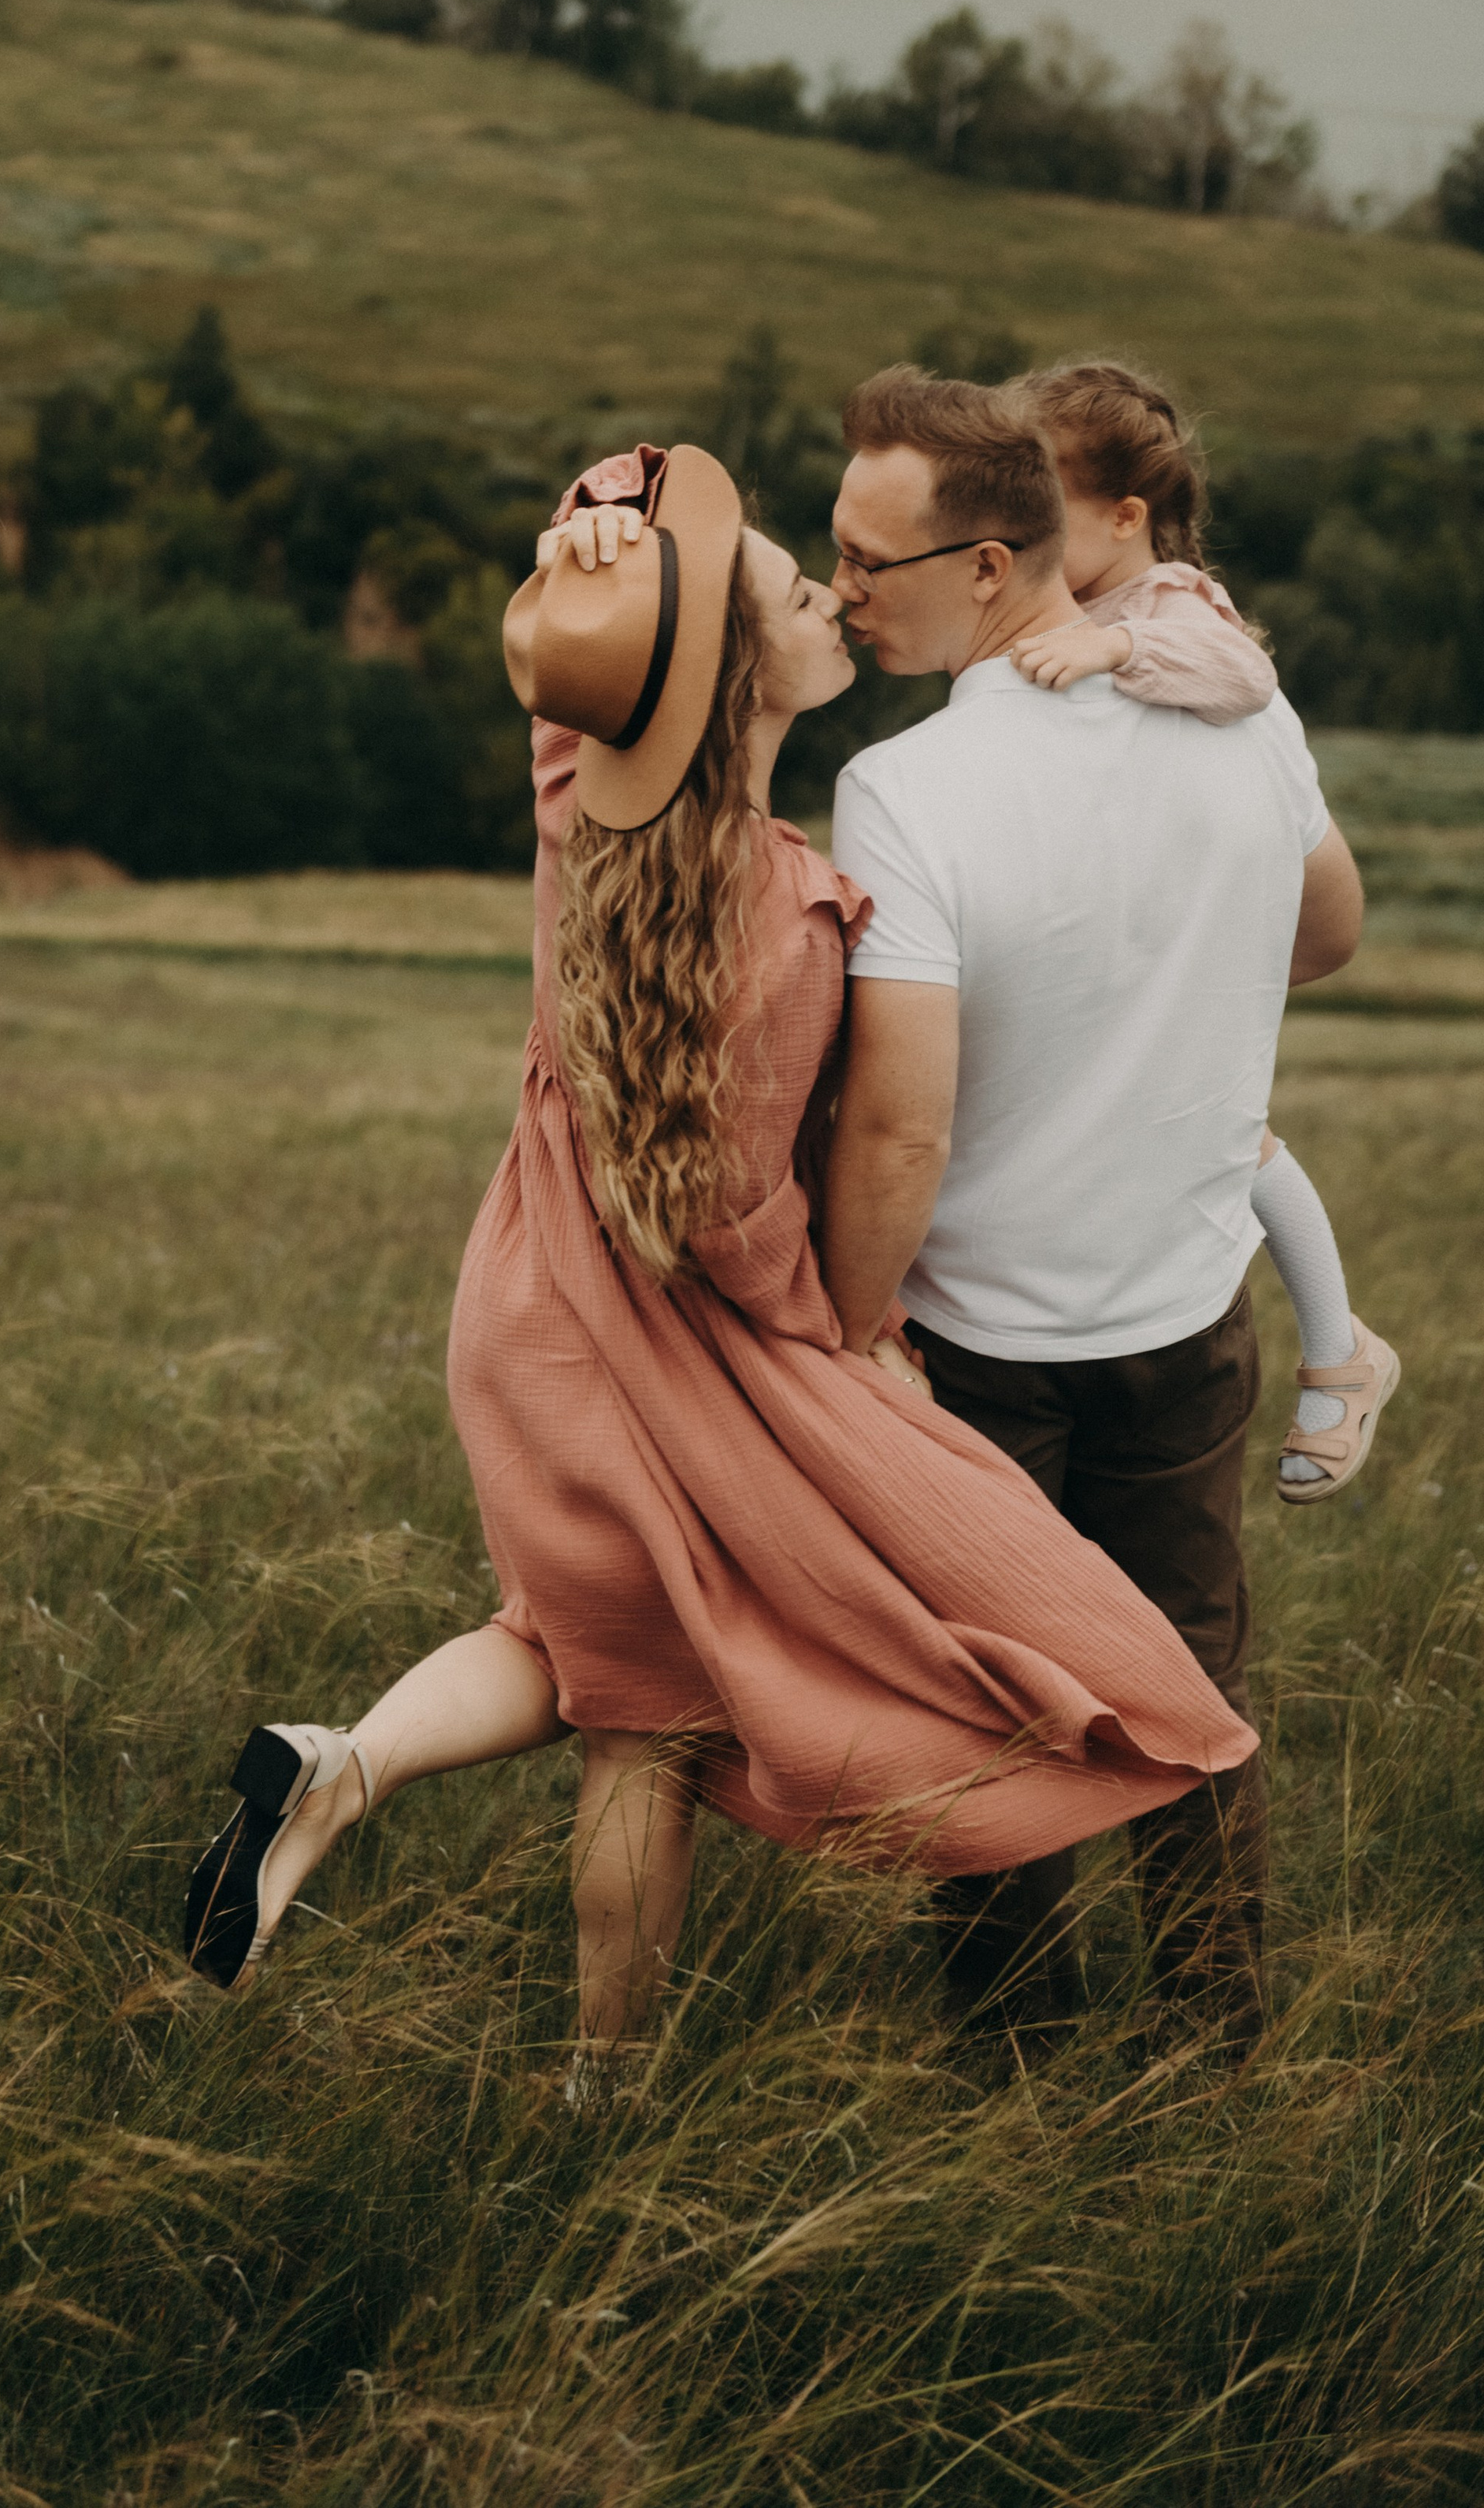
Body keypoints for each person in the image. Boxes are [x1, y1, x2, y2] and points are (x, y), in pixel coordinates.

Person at [185, 440, 1256, 2050]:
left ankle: (343, 1761)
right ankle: (597, 2092)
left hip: (524, 1313)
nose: (827, 592)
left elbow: (563, 654)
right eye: (788, 586)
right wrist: (843, 1337)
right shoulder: (789, 923)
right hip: (670, 1348)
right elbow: (741, 1224)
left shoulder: (577, 820)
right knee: (646, 1731)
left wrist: (588, 521)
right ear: (744, 671)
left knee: (577, 1659)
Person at [822, 366, 1366, 2041]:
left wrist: (849, 1339)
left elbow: (898, 1129)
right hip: (1187, 1310)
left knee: (984, 1694)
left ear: (993, 564)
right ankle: (1214, 2027)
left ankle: (1012, 2045)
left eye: (869, 558)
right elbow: (1325, 931)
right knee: (1187, 1681)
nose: (839, 587)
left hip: (979, 1343)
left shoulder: (904, 790)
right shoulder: (1248, 718)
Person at [1000, 357, 1399, 1504]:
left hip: (1197, 933)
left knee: (1231, 1136)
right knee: (1205, 1133)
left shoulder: (1170, 605)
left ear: (1128, 519)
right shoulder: (1069, 598)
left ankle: (1340, 1347)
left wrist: (1113, 650)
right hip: (1134, 937)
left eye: (1045, 515)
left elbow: (1242, 674)